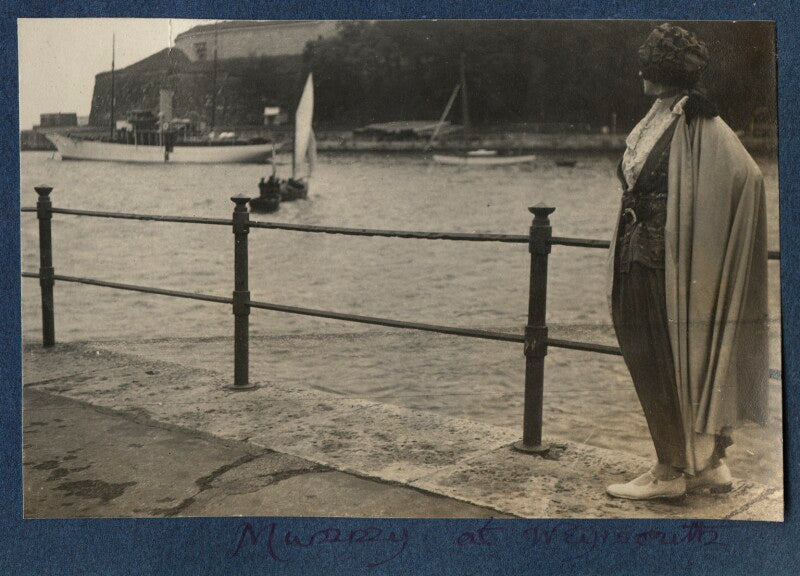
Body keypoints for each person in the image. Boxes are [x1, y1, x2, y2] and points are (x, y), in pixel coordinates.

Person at [605, 23, 770, 500]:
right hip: (639, 253)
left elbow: (748, 177)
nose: (641, 72)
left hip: (662, 263)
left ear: (667, 72)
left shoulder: (700, 120)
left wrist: (699, 231)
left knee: (663, 359)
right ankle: (704, 465)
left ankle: (671, 471)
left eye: (650, 65)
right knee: (653, 356)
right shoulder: (659, 116)